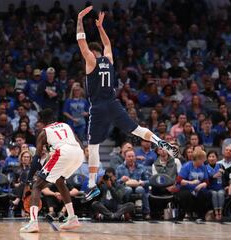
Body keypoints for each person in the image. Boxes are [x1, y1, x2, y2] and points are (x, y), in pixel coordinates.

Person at [76, 6, 179, 202]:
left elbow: (81, 42)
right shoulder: (109, 60)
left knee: (94, 145)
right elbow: (108, 45)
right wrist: (100, 27)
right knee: (138, 130)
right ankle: (161, 142)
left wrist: (80, 19)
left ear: (92, 53)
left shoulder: (90, 61)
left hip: (98, 107)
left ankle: (90, 185)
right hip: (113, 103)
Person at [20, 109, 83, 233]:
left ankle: (33, 223)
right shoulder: (66, 126)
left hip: (62, 153)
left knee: (37, 186)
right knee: (60, 181)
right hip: (78, 153)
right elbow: (79, 142)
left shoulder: (44, 132)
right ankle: (72, 218)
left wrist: (29, 180)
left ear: (41, 121)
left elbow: (36, 159)